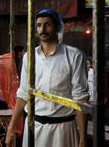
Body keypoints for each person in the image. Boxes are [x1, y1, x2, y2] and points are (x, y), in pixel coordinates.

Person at [5, 9, 89, 147]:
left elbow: (80, 100)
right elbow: (23, 94)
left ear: (57, 27)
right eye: (39, 25)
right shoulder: (29, 57)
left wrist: (82, 139)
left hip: (63, 129)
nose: (42, 29)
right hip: (34, 127)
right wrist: (11, 128)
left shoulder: (74, 56)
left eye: (47, 24)